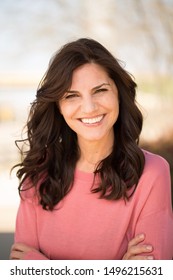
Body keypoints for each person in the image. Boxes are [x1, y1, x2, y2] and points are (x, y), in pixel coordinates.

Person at [10, 38, 173, 260]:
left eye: (100, 90)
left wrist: (46, 269)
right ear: (58, 106)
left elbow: (151, 274)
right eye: (71, 95)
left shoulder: (151, 172)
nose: (89, 107)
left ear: (118, 93)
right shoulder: (37, 177)